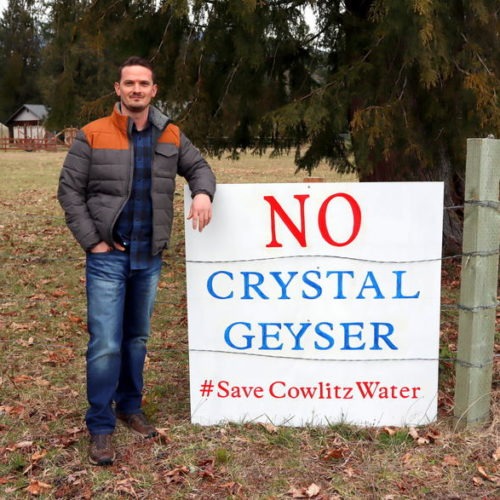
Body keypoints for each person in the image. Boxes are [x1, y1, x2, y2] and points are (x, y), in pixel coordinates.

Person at [58, 56, 216, 466]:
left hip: (150, 256)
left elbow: (199, 167)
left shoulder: (170, 133)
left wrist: (202, 193)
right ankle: (100, 426)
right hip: (109, 256)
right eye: (129, 83)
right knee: (106, 344)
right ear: (118, 89)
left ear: (154, 89)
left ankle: (130, 406)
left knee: (136, 339)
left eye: (143, 83)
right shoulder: (92, 135)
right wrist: (93, 242)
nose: (136, 90)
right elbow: (69, 192)